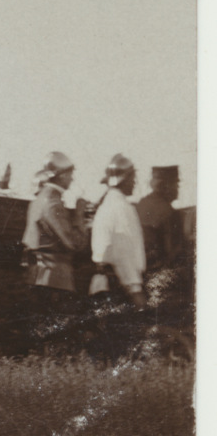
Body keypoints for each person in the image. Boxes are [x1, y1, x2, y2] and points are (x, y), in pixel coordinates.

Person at [87, 154, 148, 361]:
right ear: (123, 179)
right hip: (119, 283)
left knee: (107, 342)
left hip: (104, 280)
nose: (134, 183)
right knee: (120, 345)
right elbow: (123, 251)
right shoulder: (121, 208)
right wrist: (135, 288)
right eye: (132, 178)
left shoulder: (107, 205)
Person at [22, 152, 85, 349]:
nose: (72, 178)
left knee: (43, 334)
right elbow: (74, 244)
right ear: (61, 175)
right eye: (70, 173)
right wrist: (79, 216)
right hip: (56, 277)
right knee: (59, 337)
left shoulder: (40, 198)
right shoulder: (53, 202)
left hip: (39, 274)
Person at [137, 165, 184, 273]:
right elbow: (173, 254)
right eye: (176, 184)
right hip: (159, 274)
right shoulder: (169, 213)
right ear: (166, 186)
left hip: (140, 271)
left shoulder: (142, 204)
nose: (178, 188)